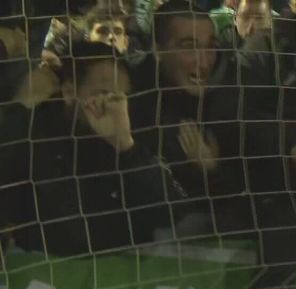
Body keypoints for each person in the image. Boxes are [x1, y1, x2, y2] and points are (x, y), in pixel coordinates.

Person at [0, 41, 183, 257]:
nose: (116, 107)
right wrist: (20, 108)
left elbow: (170, 214)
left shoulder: (129, 130)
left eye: (121, 97)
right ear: (69, 92)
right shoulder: (37, 135)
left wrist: (126, 147)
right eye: (104, 95)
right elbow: (74, 236)